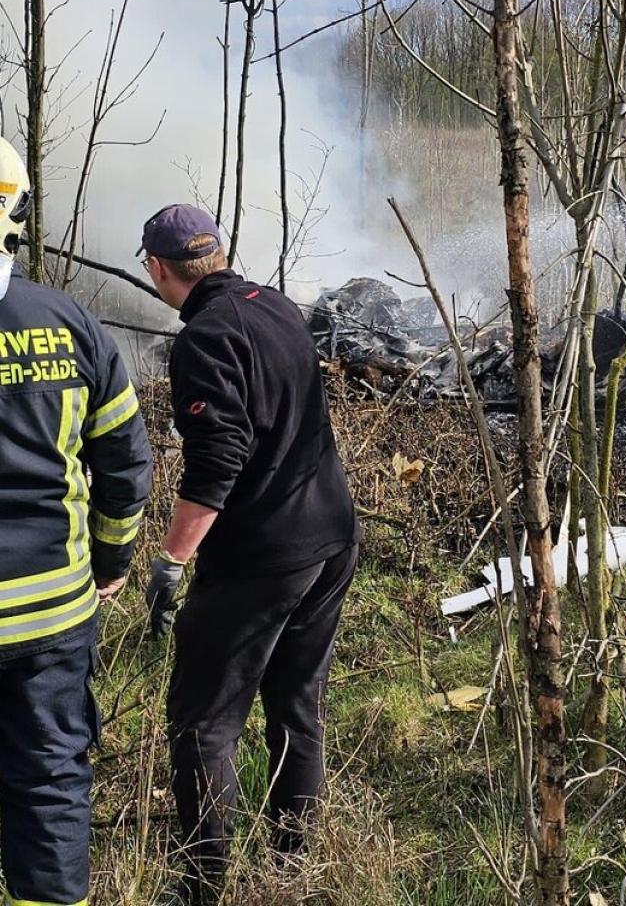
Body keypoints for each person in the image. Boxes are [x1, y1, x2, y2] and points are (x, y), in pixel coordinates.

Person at [140, 204, 359, 904]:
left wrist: (171, 562)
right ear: (221, 251)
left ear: (157, 268)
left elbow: (215, 464)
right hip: (330, 537)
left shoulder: (203, 340)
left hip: (262, 558)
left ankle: (203, 886)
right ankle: (292, 871)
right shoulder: (279, 306)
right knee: (297, 708)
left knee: (204, 725)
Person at [0, 137, 153, 906]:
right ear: (17, 215)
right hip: (52, 615)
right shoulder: (70, 324)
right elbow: (125, 464)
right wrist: (111, 562)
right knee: (49, 782)